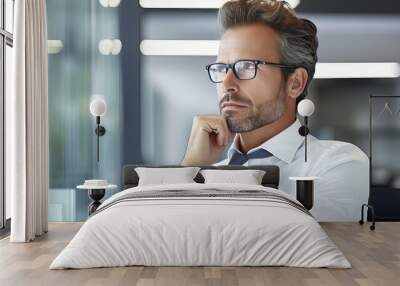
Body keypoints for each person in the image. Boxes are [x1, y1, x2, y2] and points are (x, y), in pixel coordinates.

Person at [181, 0, 369, 221]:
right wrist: (189, 170)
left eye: (247, 66)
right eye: (221, 68)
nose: (227, 83)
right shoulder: (199, 176)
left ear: (295, 83)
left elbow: (300, 243)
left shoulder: (338, 163)